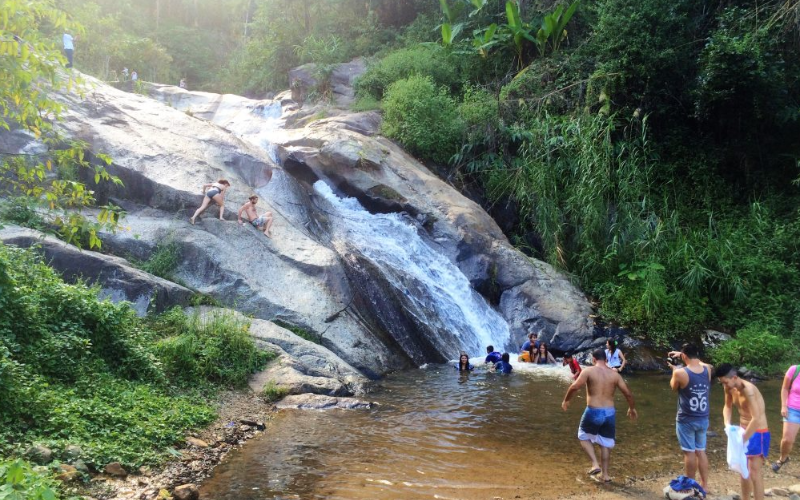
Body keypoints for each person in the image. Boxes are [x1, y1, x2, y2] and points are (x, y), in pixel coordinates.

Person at [562, 349, 637, 483]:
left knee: (583, 436)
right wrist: (632, 408)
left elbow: (574, 387)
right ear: (606, 359)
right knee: (605, 443)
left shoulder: (588, 371)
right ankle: (605, 475)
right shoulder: (615, 375)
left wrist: (566, 400)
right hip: (609, 413)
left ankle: (595, 464)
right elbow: (628, 394)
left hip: (593, 410)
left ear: (594, 359)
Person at [716, 363, 769, 500]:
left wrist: (743, 439)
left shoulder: (749, 390)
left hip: (758, 432)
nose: (724, 385)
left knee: (754, 473)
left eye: (726, 382)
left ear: (734, 377)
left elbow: (756, 419)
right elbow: (727, 407)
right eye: (722, 383)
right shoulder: (728, 387)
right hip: (742, 430)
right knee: (742, 470)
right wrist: (727, 424)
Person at [668, 343, 712, 491]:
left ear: (684, 356)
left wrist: (674, 369)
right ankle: (704, 485)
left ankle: (690, 485)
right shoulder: (708, 369)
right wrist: (681, 354)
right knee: (701, 451)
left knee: (689, 452)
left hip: (686, 418)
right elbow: (702, 363)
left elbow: (673, 387)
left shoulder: (680, 373)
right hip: (703, 418)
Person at [774, 363, 800, 472]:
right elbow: (784, 388)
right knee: (787, 440)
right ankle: (783, 458)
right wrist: (784, 406)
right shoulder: (794, 370)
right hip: (793, 409)